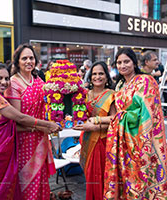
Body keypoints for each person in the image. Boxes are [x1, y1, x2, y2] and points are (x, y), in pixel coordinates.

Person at [0, 64, 60, 200]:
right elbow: (19, 117)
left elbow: (9, 126)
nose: (4, 82)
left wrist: (39, 128)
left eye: (7, 78)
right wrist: (48, 124)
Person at [103, 48, 167, 199]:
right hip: (124, 142)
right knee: (128, 180)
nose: (123, 65)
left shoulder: (146, 81)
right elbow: (118, 113)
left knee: (147, 177)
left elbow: (148, 113)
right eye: (119, 62)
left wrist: (118, 119)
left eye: (126, 61)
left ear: (134, 63)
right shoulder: (119, 86)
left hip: (144, 141)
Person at [4, 44, 56, 199]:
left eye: (31, 58)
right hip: (23, 139)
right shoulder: (13, 83)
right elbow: (18, 118)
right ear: (17, 62)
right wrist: (43, 127)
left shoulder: (38, 80)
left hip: (41, 138)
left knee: (41, 180)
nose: (28, 61)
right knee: (26, 182)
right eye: (24, 58)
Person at [74, 61, 116, 200]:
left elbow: (115, 119)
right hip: (87, 140)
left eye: (101, 73)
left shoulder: (111, 95)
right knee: (90, 179)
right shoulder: (84, 94)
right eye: (94, 74)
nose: (97, 77)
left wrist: (95, 125)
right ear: (90, 76)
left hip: (103, 142)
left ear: (107, 76)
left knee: (101, 180)